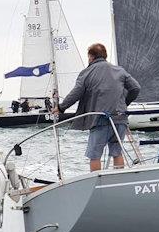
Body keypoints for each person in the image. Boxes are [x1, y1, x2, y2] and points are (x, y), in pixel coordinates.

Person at [54, 43, 141, 171]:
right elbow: (136, 88)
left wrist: (61, 107)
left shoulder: (87, 73)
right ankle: (117, 181)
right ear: (104, 55)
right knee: (117, 152)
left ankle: (98, 184)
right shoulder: (120, 71)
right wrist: (124, 104)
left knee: (95, 155)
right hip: (120, 118)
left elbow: (76, 93)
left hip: (100, 120)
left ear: (91, 56)